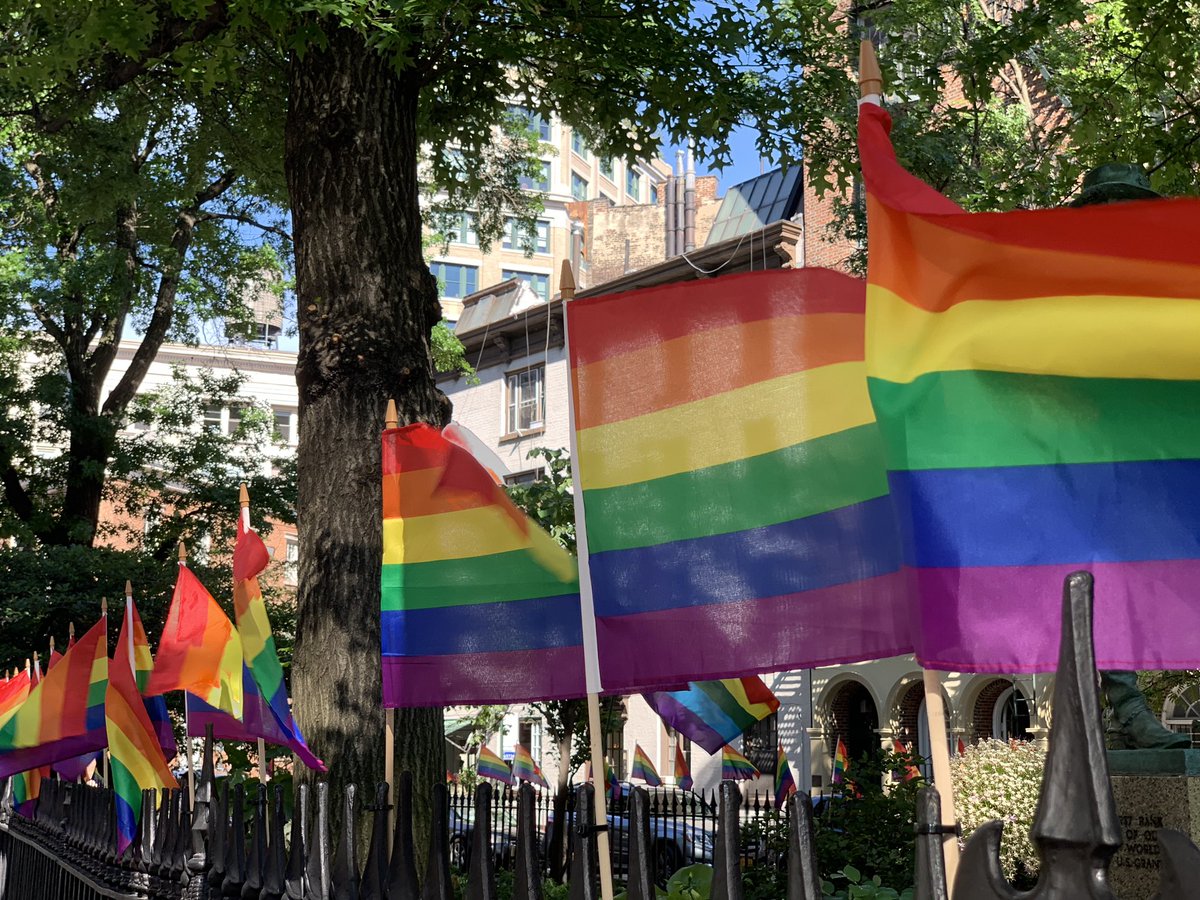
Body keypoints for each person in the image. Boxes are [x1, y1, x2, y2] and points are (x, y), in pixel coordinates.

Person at [1069, 163, 1191, 750]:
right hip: (1090, 454)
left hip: (1159, 450)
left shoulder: (1164, 280)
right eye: (1106, 204)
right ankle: (1127, 705)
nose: (1117, 216)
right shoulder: (1060, 286)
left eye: (1127, 204)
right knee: (1109, 580)